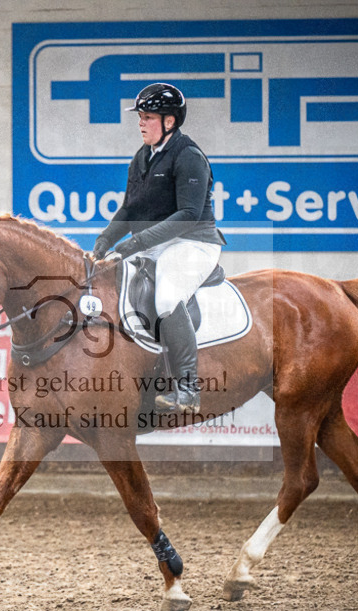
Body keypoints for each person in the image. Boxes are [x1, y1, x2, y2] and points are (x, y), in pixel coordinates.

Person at [92, 83, 225, 414]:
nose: (141, 123)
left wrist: (133, 243)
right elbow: (130, 210)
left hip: (193, 242)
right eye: (140, 117)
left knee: (166, 298)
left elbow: (188, 216)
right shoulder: (142, 157)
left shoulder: (189, 157)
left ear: (170, 122)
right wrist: (105, 240)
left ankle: (187, 388)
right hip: (157, 244)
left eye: (148, 117)